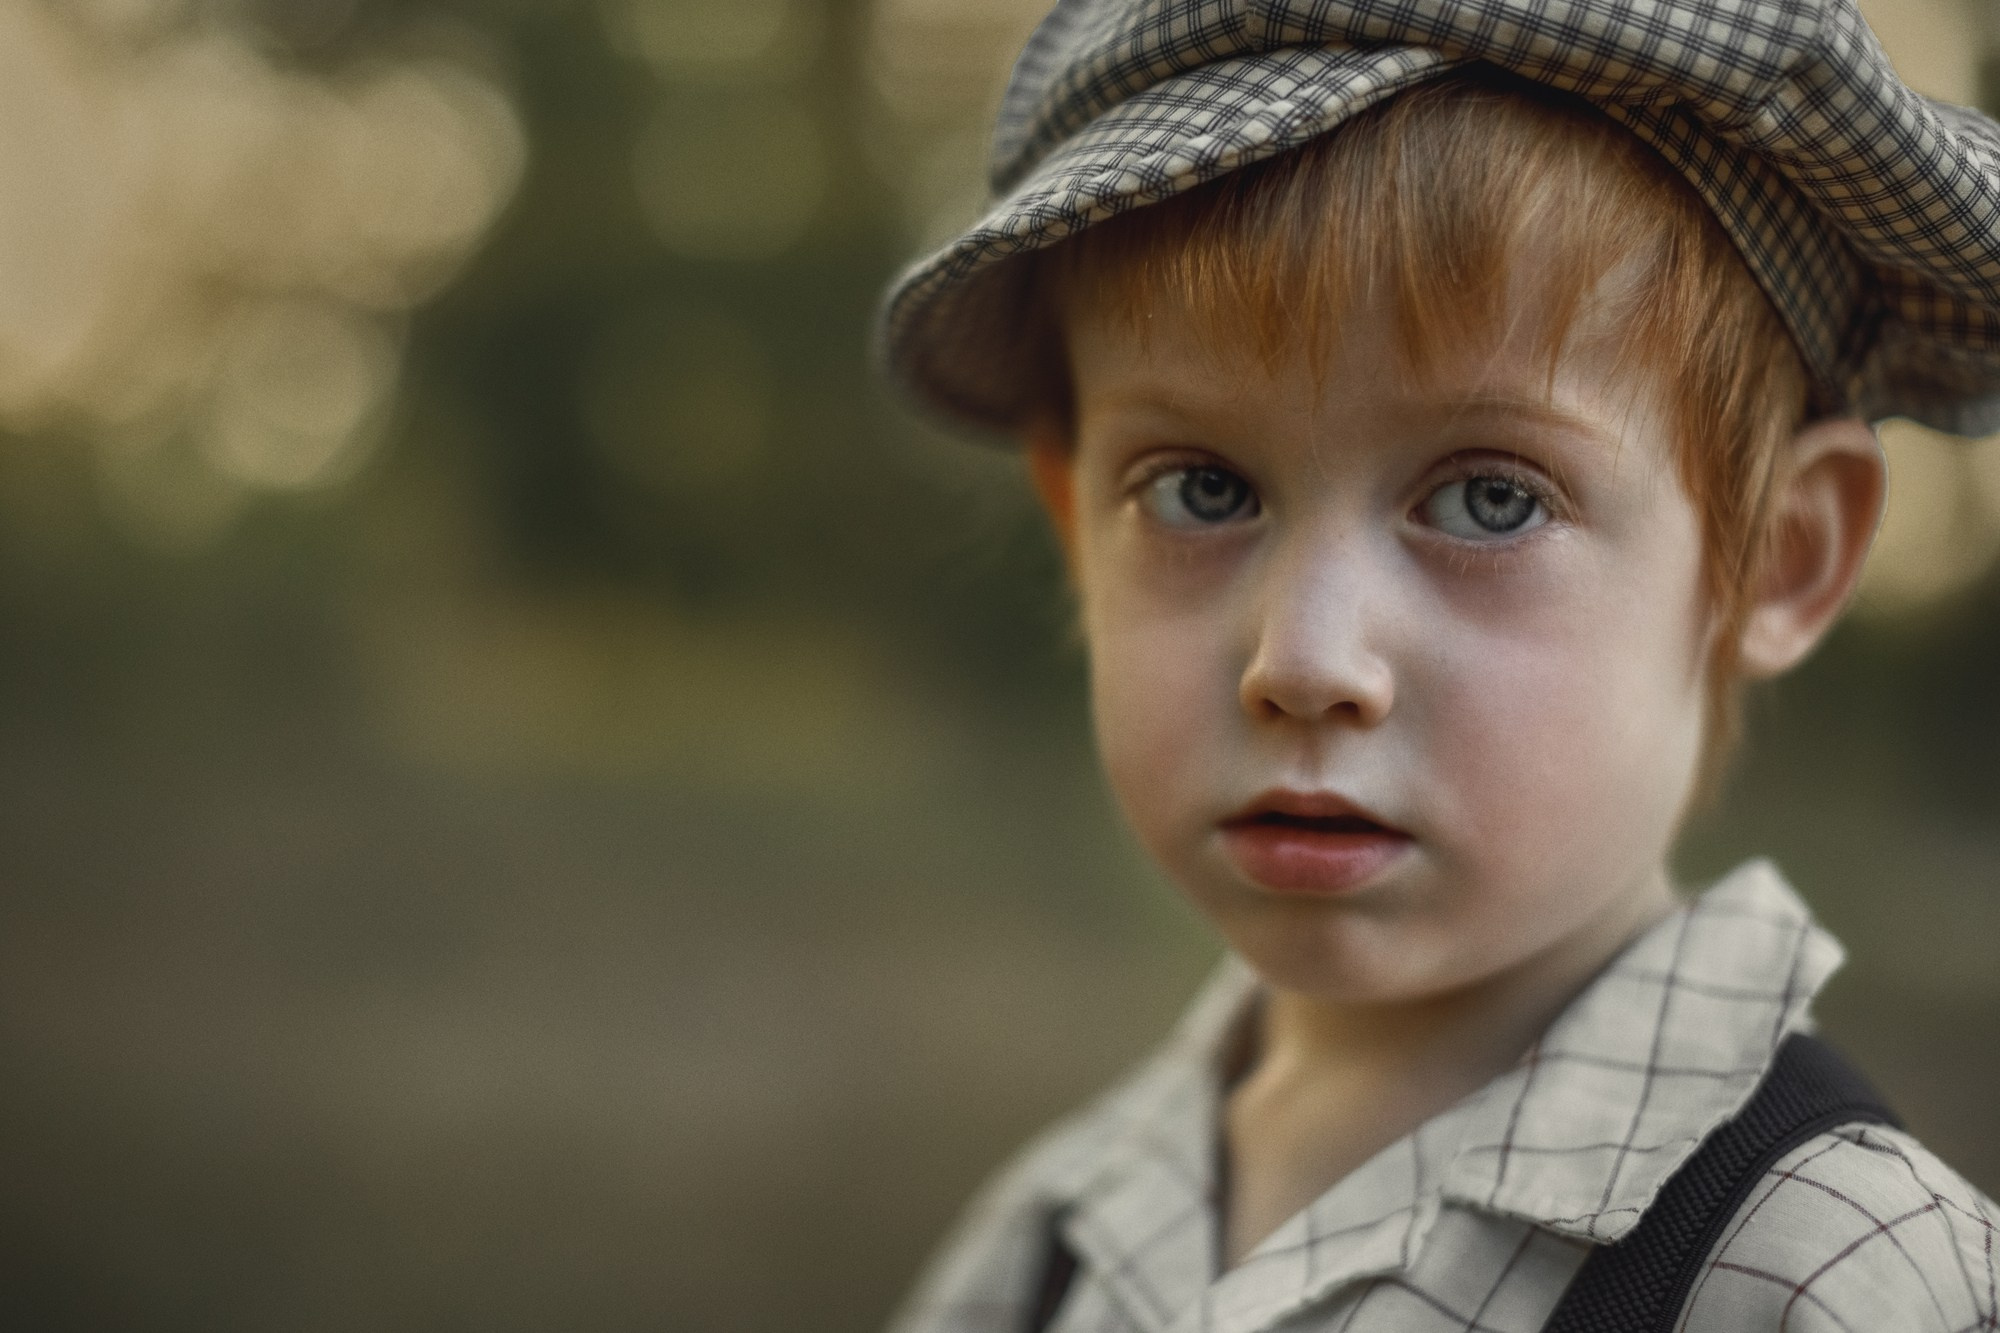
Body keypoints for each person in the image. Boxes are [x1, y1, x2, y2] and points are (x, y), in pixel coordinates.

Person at [873, 1, 2000, 1329]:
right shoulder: (1044, 1246)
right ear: (1076, 525)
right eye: (1199, 488)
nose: (1303, 659)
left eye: (1489, 502)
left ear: (1777, 558)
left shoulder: (1834, 1271)